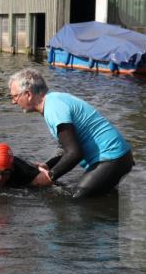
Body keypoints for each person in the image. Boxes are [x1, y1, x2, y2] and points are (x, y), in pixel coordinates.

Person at [8, 68, 134, 198]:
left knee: (77, 200)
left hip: (113, 159)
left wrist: (49, 176)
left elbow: (74, 153)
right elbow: (66, 147)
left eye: (15, 96)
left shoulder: (53, 108)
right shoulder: (54, 101)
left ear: (28, 94)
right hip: (119, 157)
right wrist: (48, 165)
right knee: (99, 198)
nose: (13, 102)